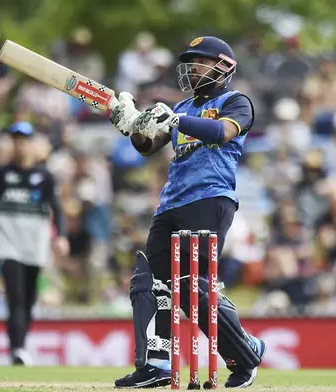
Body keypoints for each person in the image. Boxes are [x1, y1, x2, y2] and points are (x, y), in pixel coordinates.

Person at [109, 36, 266, 389]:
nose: (193, 68)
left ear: (223, 66)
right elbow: (148, 147)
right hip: (171, 202)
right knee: (154, 283)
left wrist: (176, 119)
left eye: (201, 61)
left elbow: (222, 133)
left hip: (211, 198)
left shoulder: (236, 102)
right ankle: (158, 363)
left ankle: (245, 353)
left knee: (194, 287)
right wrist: (132, 125)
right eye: (190, 62)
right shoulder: (182, 108)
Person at [0, 121, 70, 365]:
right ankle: (18, 349)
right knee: (16, 296)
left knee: (29, 299)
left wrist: (61, 236)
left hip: (34, 244)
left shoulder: (44, 177)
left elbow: (58, 210)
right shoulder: (0, 175)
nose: (21, 145)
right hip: (7, 243)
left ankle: (20, 345)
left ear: (32, 144)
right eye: (17, 140)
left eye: (25, 140)